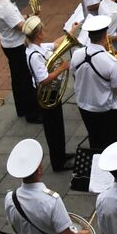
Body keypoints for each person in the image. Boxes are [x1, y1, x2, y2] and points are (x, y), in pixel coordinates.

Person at [72, 13, 117, 153]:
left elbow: (75, 75)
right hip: (105, 110)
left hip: (84, 107)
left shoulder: (77, 54)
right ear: (105, 35)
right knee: (110, 145)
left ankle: (95, 168)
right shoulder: (110, 62)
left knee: (94, 141)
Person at [23, 17, 72, 171]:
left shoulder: (37, 46)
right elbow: (43, 79)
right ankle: (58, 162)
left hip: (52, 92)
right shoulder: (35, 56)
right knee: (53, 129)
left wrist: (70, 32)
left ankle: (61, 154)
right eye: (42, 31)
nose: (44, 33)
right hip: (46, 94)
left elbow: (56, 44)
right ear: (38, 35)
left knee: (58, 126)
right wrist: (61, 69)